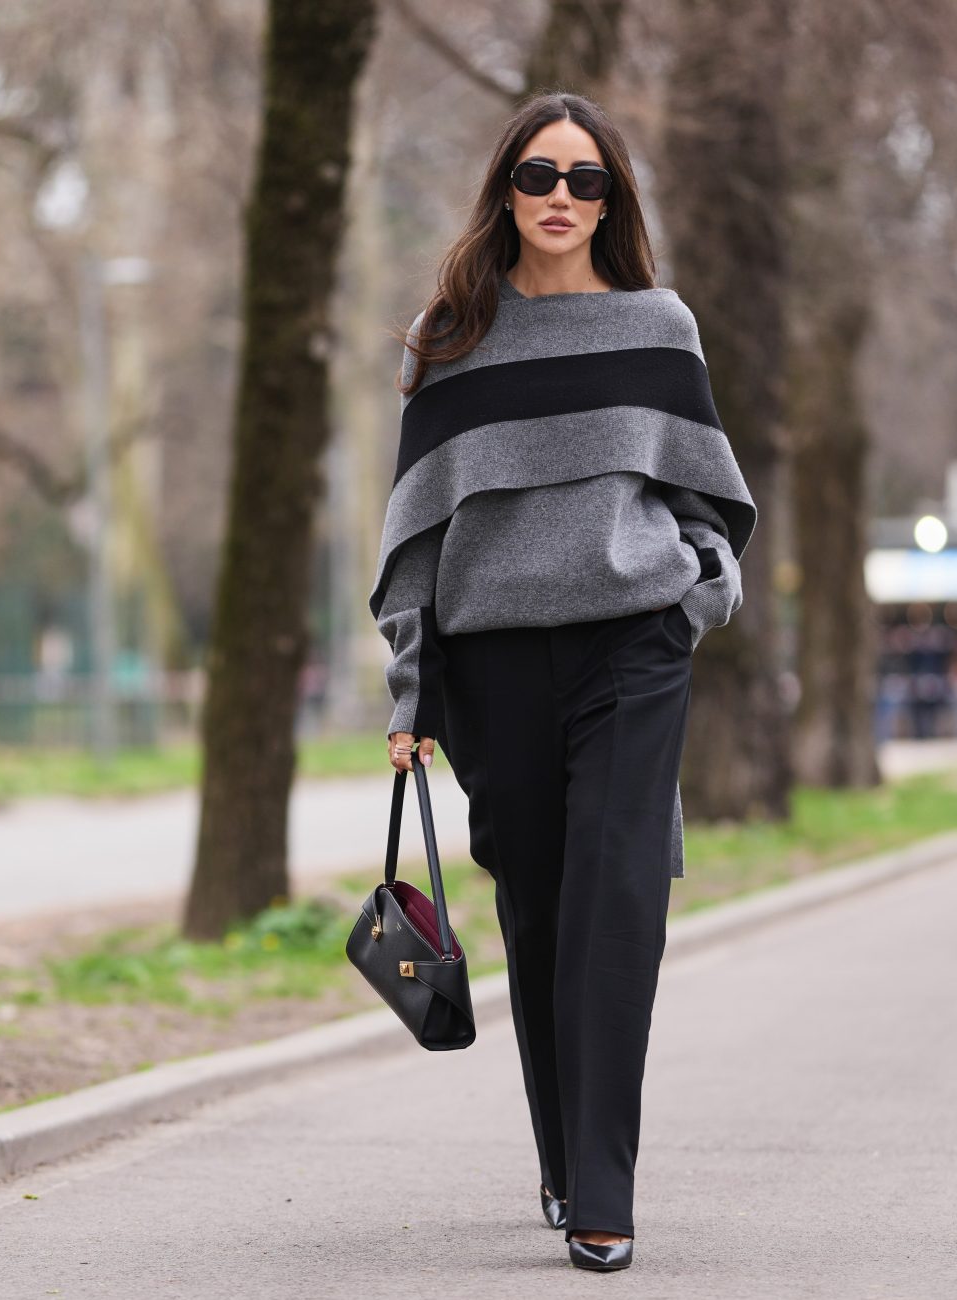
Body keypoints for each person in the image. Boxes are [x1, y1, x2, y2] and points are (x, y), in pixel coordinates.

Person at [368, 93, 757, 1274]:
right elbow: (415, 536)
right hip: (493, 664)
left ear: (609, 200)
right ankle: (561, 1160)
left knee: (616, 901)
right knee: (537, 911)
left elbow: (706, 496)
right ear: (506, 189)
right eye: (538, 174)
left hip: (633, 647)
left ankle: (602, 1195)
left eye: (585, 180)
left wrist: (698, 594)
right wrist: (410, 696)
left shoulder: (656, 328)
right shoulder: (449, 336)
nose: (559, 197)